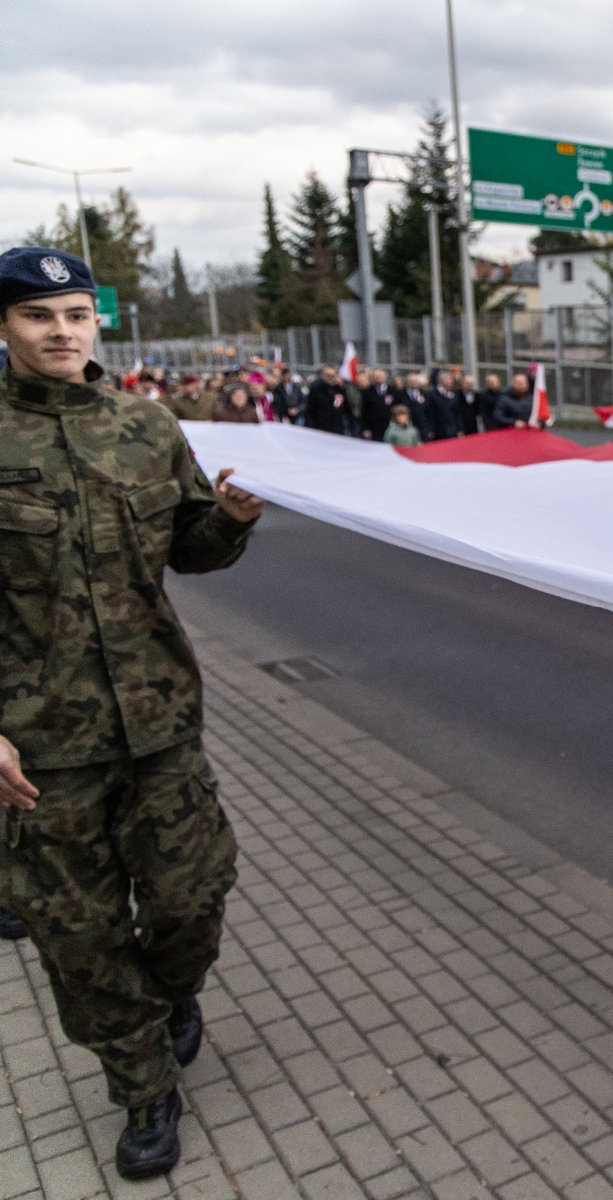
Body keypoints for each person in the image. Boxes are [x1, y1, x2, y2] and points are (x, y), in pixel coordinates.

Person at [0, 246, 263, 1179]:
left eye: (75, 313)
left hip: (159, 722)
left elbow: (188, 551)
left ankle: (171, 995)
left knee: (194, 896)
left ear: (96, 321)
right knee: (79, 933)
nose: (61, 331)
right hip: (40, 750)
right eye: (38, 316)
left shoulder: (148, 427)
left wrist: (228, 516)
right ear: (6, 326)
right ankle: (145, 1084)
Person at [303, 365, 351, 435]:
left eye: (333, 376)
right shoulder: (316, 389)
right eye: (328, 376)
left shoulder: (339, 390)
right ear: (323, 375)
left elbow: (346, 409)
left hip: (336, 428)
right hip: (320, 427)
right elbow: (310, 410)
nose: (330, 378)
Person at [358, 367, 400, 440]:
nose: (379, 378)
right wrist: (366, 428)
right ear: (373, 378)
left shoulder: (393, 391)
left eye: (381, 376)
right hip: (374, 427)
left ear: (385, 377)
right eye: (376, 377)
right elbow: (364, 411)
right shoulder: (367, 392)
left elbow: (398, 408)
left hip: (391, 427)